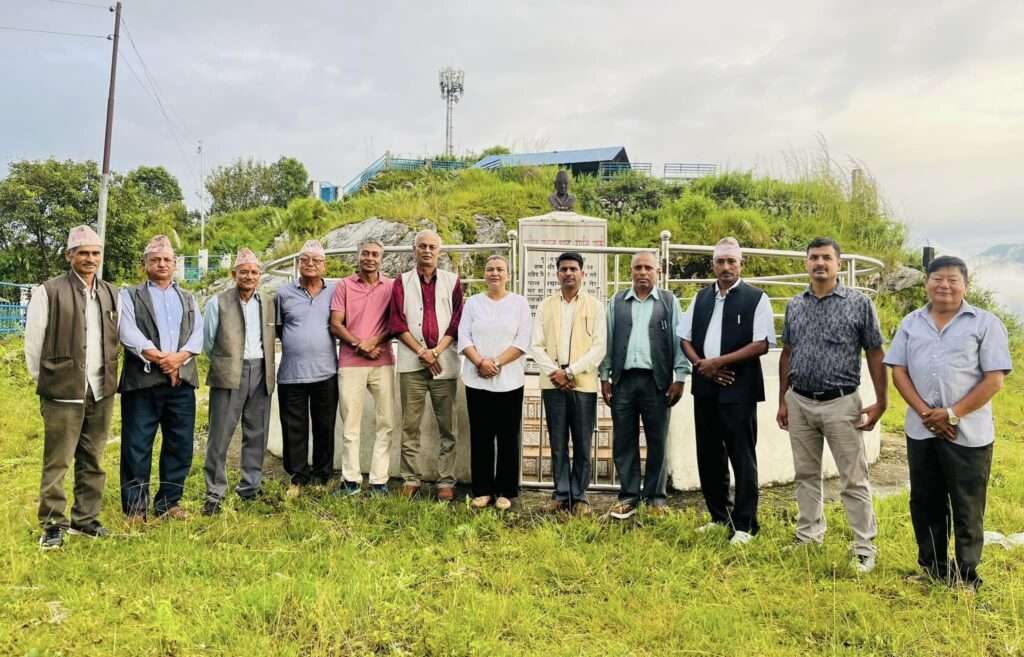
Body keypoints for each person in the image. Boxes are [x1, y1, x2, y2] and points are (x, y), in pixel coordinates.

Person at [884, 256, 1012, 590]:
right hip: (921, 430)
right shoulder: (911, 323)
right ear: (926, 283)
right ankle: (933, 569)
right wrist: (927, 414)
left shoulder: (985, 323)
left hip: (968, 433)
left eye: (953, 280)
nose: (944, 285)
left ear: (965, 286)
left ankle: (967, 575)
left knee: (968, 504)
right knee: (925, 502)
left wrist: (952, 413)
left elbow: (994, 379)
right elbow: (899, 371)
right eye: (937, 278)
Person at [776, 237, 887, 573]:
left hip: (842, 402)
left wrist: (881, 400)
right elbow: (787, 352)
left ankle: (864, 547)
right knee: (805, 474)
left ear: (838, 264)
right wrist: (783, 399)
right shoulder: (795, 305)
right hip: (800, 401)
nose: (820, 263)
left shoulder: (859, 303)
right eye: (814, 257)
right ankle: (808, 535)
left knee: (853, 478)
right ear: (806, 263)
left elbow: (875, 352)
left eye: (826, 257)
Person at [24, 225, 120, 549]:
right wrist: (47, 382)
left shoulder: (111, 293)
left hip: (101, 389)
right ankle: (52, 524)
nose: (90, 259)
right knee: (58, 460)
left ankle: (86, 520)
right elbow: (34, 344)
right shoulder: (49, 292)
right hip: (62, 390)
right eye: (83, 253)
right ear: (69, 256)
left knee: (94, 458)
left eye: (95, 253)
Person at [679, 238, 775, 545]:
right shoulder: (701, 298)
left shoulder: (756, 298)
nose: (726, 267)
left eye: (731, 261)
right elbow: (684, 338)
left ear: (741, 264)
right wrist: (701, 365)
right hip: (705, 388)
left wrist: (718, 363)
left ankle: (745, 525)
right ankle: (719, 517)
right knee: (709, 455)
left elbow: (761, 344)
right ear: (713, 265)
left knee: (742, 457)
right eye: (720, 261)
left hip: (739, 389)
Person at [118, 235, 203, 522]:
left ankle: (169, 502)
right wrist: (160, 358)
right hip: (142, 384)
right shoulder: (129, 295)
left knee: (180, 444)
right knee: (136, 445)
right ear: (145, 264)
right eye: (155, 260)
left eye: (167, 259)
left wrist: (179, 359)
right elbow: (127, 331)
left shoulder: (188, 298)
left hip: (181, 383)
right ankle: (135, 509)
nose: (162, 264)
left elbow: (198, 334)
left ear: (175, 264)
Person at [599, 251, 689, 519]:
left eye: (648, 267)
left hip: (657, 381)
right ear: (631, 271)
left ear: (657, 271)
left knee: (657, 440)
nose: (642, 272)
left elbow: (680, 341)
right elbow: (607, 340)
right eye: (637, 267)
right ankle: (628, 496)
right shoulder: (617, 302)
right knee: (624, 440)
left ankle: (655, 498)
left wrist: (680, 377)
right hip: (624, 381)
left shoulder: (669, 302)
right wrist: (604, 376)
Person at [389, 229, 464, 500]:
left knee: (448, 427)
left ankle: (446, 480)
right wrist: (422, 351)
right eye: (422, 246)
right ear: (414, 250)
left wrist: (436, 352)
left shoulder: (452, 282)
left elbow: (457, 322)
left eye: (432, 246)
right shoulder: (402, 282)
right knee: (410, 425)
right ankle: (411, 478)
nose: (427, 251)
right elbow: (397, 322)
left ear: (439, 251)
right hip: (412, 364)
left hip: (444, 364)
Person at [201, 248, 276, 516]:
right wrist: (228, 361)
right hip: (229, 372)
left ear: (260, 275)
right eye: (243, 272)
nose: (249, 276)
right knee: (220, 435)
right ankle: (215, 493)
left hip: (261, 371)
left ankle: (250, 487)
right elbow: (208, 342)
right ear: (234, 274)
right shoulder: (217, 302)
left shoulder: (267, 302)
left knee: (257, 433)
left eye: (254, 272)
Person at [530, 251, 607, 516]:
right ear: (557, 274)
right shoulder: (546, 306)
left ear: (582, 273)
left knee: (583, 442)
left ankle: (580, 496)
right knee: (558, 442)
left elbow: (599, 347)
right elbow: (536, 345)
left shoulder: (595, 306)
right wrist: (556, 372)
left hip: (582, 383)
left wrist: (571, 372)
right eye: (563, 269)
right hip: (553, 383)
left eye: (573, 269)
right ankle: (561, 494)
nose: (568, 273)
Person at [458, 255, 532, 510]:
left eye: (500, 269)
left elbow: (522, 340)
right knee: (481, 436)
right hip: (477, 380)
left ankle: (506, 491)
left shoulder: (519, 303)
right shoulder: (473, 303)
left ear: (508, 275)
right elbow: (464, 336)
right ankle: (482, 490)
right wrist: (480, 362)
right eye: (490, 269)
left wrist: (496, 363)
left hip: (509, 381)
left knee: (508, 437)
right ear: (484, 274)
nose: (495, 273)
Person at [330, 238, 395, 496]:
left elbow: (396, 323)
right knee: (350, 424)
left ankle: (379, 481)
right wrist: (360, 345)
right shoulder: (344, 285)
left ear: (381, 258)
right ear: (358, 256)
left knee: (386, 422)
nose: (370, 258)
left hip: (383, 361)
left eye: (375, 254)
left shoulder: (391, 286)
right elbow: (336, 324)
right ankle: (351, 481)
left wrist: (373, 343)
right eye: (365, 253)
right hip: (350, 363)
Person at [276, 240, 338, 497]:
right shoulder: (283, 293)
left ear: (324, 265)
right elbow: (279, 328)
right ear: (298, 263)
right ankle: (298, 476)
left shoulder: (335, 291)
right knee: (294, 428)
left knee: (325, 426)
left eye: (316, 260)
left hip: (326, 371)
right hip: (292, 374)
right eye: (305, 259)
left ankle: (322, 475)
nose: (310, 264)